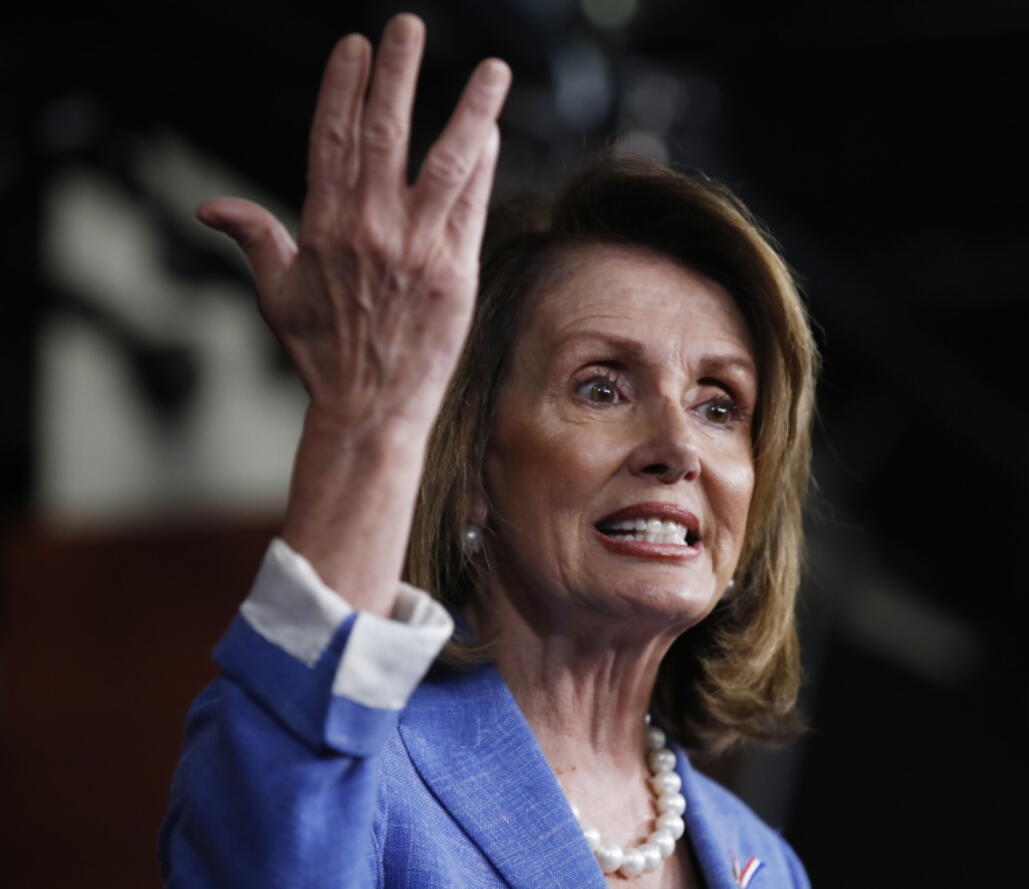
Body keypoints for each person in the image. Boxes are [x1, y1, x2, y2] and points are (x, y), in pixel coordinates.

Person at [158, 12, 818, 889]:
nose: (676, 447)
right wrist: (372, 417)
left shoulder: (764, 864)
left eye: (719, 404)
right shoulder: (360, 770)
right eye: (601, 386)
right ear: (472, 472)